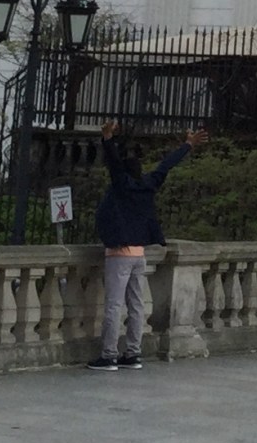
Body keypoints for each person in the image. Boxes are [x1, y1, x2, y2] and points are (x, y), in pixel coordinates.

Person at [88, 120, 207, 372]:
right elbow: (166, 165)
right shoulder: (148, 185)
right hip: (139, 254)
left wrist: (108, 139)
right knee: (136, 304)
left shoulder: (121, 185)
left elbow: (113, 162)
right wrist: (187, 145)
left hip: (119, 253)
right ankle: (133, 353)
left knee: (114, 305)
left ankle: (109, 355)